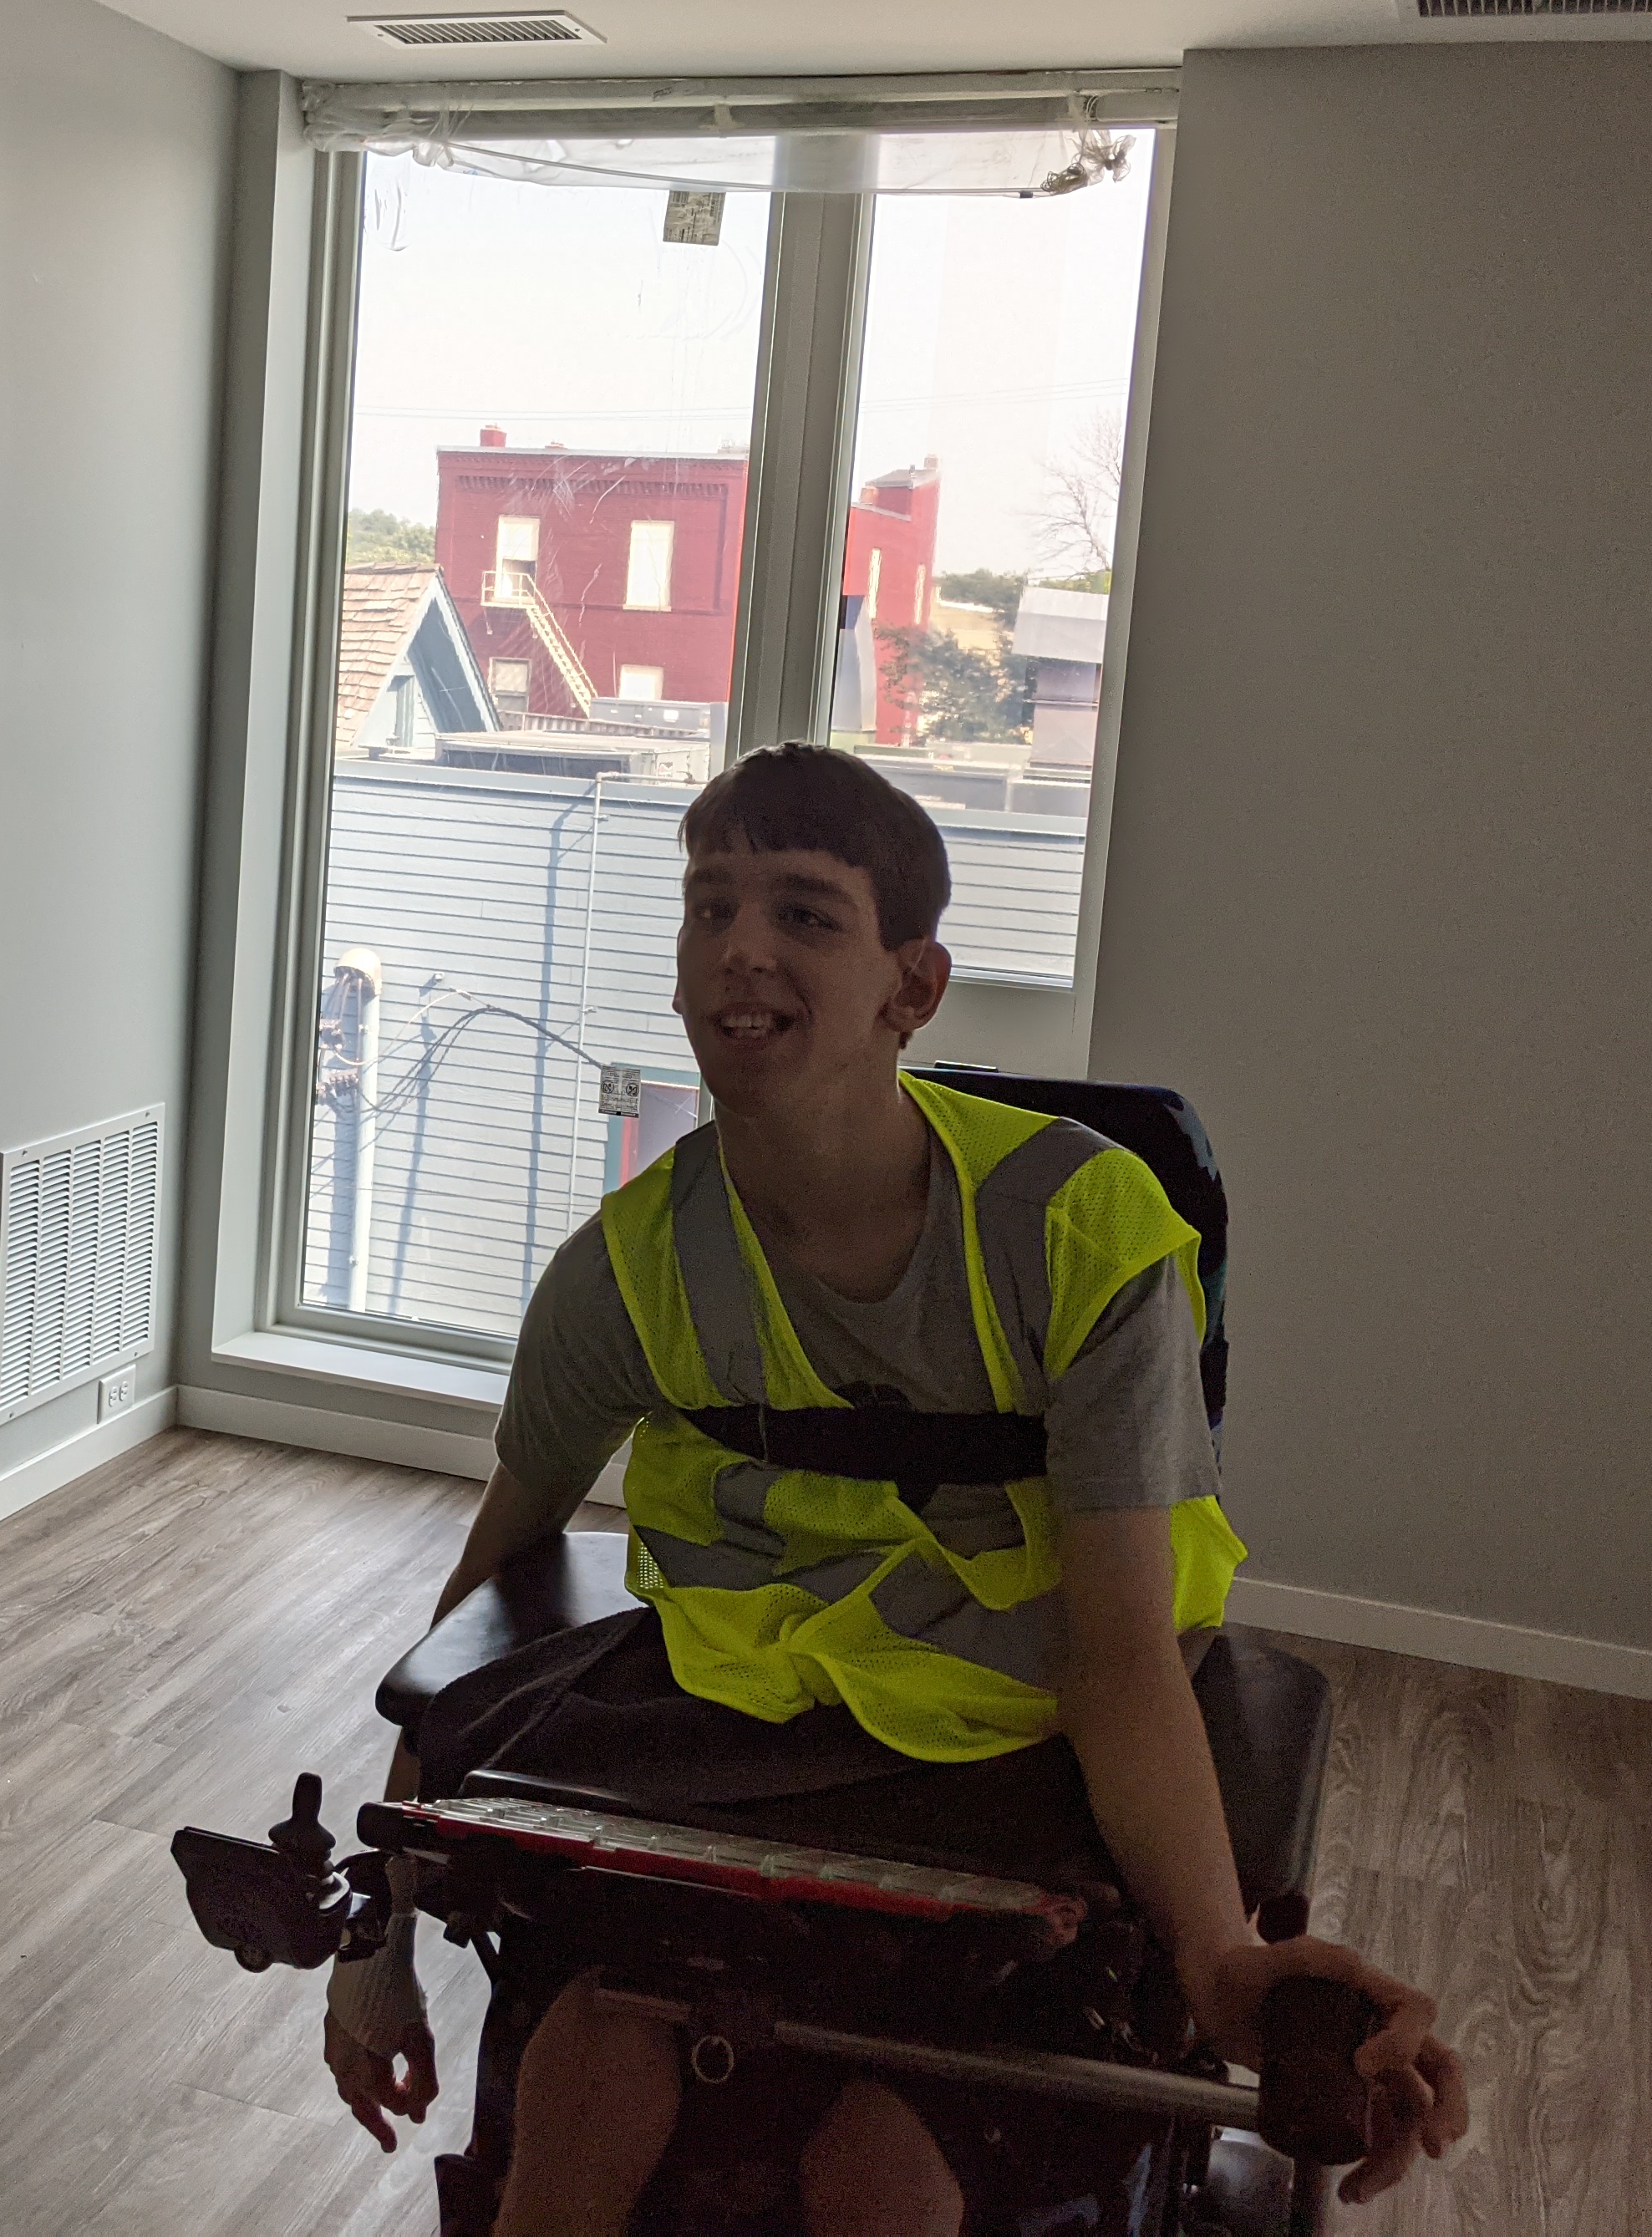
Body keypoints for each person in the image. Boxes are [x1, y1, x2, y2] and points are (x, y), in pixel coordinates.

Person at [322, 744, 1468, 2236]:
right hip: (725, 1769)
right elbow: (497, 1579)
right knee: (581, 2110)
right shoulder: (626, 1270)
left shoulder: (1082, 1231)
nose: (742, 946)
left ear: (910, 989)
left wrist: (1222, 1963)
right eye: (711, 906)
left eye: (805, 914)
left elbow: (1120, 1655)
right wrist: (383, 1924)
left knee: (888, 2183)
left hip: (1021, 1775)